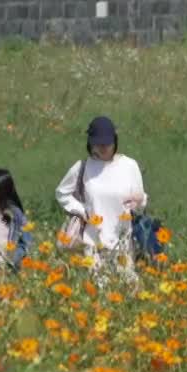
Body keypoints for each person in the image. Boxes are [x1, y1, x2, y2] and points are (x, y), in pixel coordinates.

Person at [55, 115, 147, 279]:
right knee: (97, 293)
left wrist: (139, 200)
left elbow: (141, 203)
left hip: (122, 243)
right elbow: (62, 193)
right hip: (92, 243)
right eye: (99, 143)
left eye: (108, 143)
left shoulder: (129, 166)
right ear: (90, 143)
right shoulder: (82, 167)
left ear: (115, 141)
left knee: (125, 290)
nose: (104, 147)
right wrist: (83, 211)